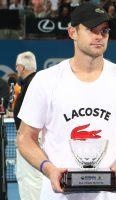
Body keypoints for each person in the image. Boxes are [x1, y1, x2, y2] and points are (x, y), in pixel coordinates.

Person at [16, 2, 116, 200]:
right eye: (91, 30)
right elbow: (25, 138)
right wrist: (49, 169)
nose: (99, 36)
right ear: (72, 33)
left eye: (104, 31)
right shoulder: (45, 80)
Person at [13, 51, 43, 200]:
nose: (16, 69)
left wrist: (23, 136)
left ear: (21, 67)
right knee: (30, 177)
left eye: (17, 66)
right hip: (32, 137)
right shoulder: (35, 82)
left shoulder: (33, 84)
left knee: (29, 177)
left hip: (30, 138)